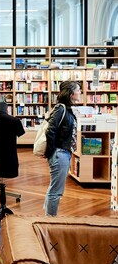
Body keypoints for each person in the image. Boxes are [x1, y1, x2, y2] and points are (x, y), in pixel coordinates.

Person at [44, 80, 81, 216]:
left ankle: (48, 217)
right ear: (71, 93)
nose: (80, 92)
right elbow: (50, 130)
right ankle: (51, 220)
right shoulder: (61, 108)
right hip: (59, 153)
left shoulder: (67, 109)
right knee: (56, 191)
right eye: (78, 90)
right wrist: (50, 152)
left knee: (54, 188)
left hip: (63, 152)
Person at [0, 101, 25, 226]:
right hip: (8, 159)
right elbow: (21, 133)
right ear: (7, 109)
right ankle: (0, 189)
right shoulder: (14, 121)